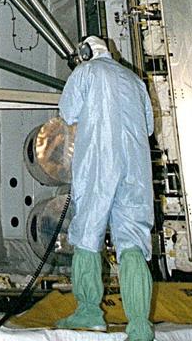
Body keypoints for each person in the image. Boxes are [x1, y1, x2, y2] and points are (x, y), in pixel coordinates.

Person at [57, 35, 155, 341]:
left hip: (99, 164)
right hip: (136, 169)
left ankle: (89, 311)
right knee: (133, 242)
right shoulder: (135, 80)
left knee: (88, 234)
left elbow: (67, 112)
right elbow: (149, 127)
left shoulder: (86, 72)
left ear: (85, 52)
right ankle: (139, 326)